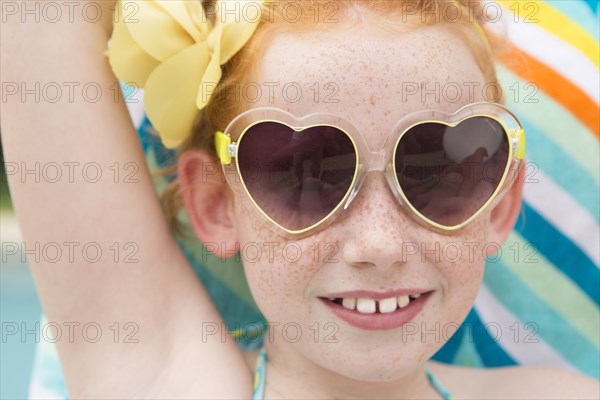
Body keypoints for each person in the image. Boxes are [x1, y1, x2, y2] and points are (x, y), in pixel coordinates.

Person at [2, 0, 598, 398]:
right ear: (214, 203)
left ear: (498, 203)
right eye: (306, 176)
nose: (379, 246)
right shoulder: (163, 379)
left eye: (437, 171)